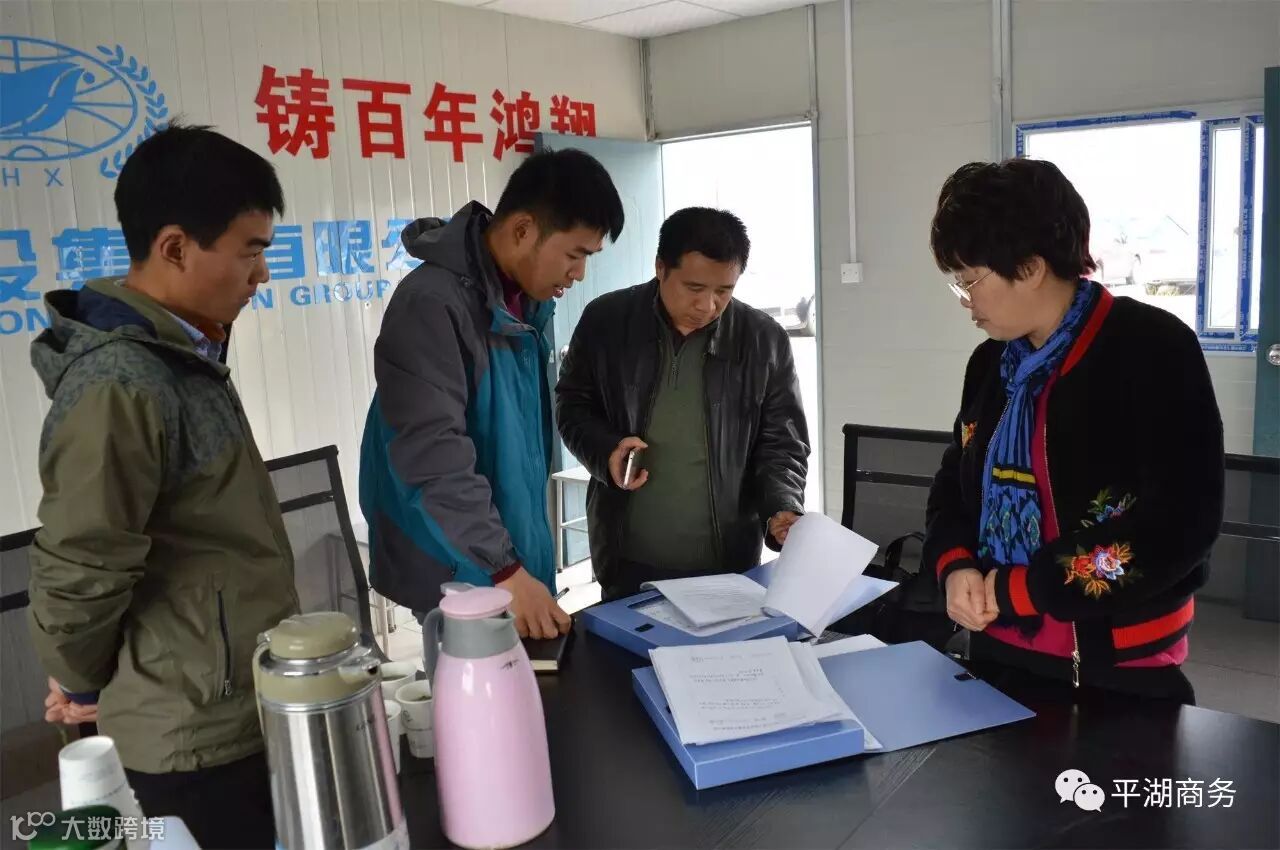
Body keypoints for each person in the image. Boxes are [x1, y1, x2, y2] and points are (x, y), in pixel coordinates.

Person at [28, 124, 298, 848]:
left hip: (232, 708)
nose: (261, 275)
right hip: (191, 739)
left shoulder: (182, 351)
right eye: (250, 251)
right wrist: (81, 684)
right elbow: (82, 563)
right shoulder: (121, 384)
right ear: (176, 247)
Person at [924, 158, 1224, 703]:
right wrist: (956, 565)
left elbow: (1181, 523)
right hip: (996, 649)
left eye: (970, 281)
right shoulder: (991, 364)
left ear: (1030, 267)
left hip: (1118, 664)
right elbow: (953, 485)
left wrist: (1028, 588)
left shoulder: (1150, 348)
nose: (966, 301)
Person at [360, 148, 624, 639]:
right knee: (477, 687)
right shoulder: (431, 305)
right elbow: (433, 457)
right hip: (458, 566)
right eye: (575, 255)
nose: (579, 274)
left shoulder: (523, 301)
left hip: (505, 559)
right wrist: (505, 569)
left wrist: (518, 567)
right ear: (523, 230)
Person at [556, 207, 809, 601]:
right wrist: (605, 451)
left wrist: (782, 505)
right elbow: (572, 405)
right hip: (627, 562)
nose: (708, 305)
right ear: (661, 268)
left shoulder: (762, 339)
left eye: (724, 291)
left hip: (728, 566)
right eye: (694, 288)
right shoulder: (607, 321)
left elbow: (783, 442)